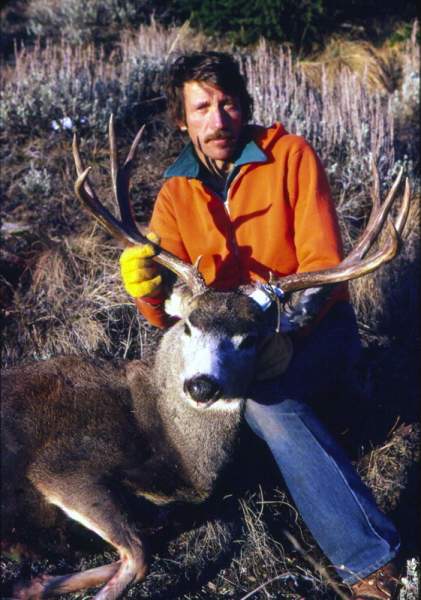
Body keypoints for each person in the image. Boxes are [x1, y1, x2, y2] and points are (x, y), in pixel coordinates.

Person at [120, 52, 401, 599]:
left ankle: (371, 560)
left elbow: (322, 265)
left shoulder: (290, 156)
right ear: (183, 119)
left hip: (314, 327)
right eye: (201, 107)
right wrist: (146, 288)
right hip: (225, 338)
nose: (217, 119)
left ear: (244, 106)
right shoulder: (177, 191)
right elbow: (166, 316)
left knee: (264, 406)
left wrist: (289, 336)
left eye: (227, 104)